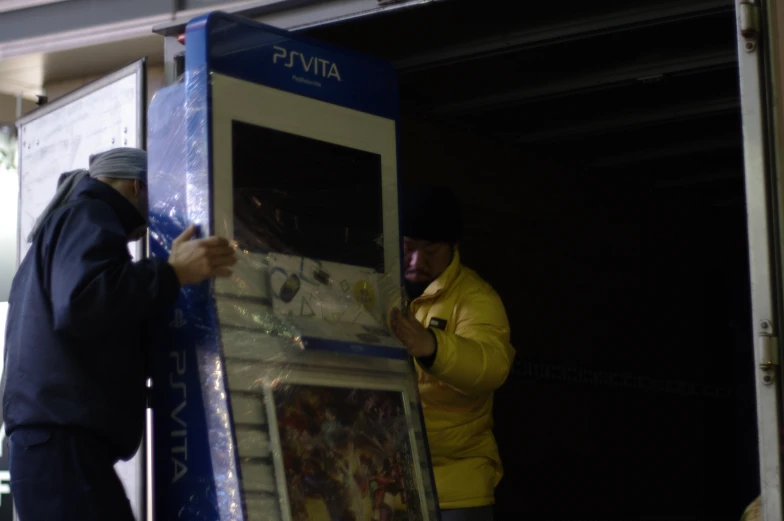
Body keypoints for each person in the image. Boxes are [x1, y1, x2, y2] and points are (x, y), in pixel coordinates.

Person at [1, 148, 237, 521]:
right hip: (64, 450)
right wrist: (171, 272)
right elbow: (84, 302)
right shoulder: (89, 213)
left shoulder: (61, 230)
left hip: (49, 448)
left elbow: (86, 333)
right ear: (137, 186)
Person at [390, 185, 515, 521]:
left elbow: (492, 367)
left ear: (454, 247)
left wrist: (432, 347)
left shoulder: (476, 299)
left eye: (430, 251)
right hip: (390, 480)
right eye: (408, 248)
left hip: (457, 487)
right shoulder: (381, 288)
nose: (417, 261)